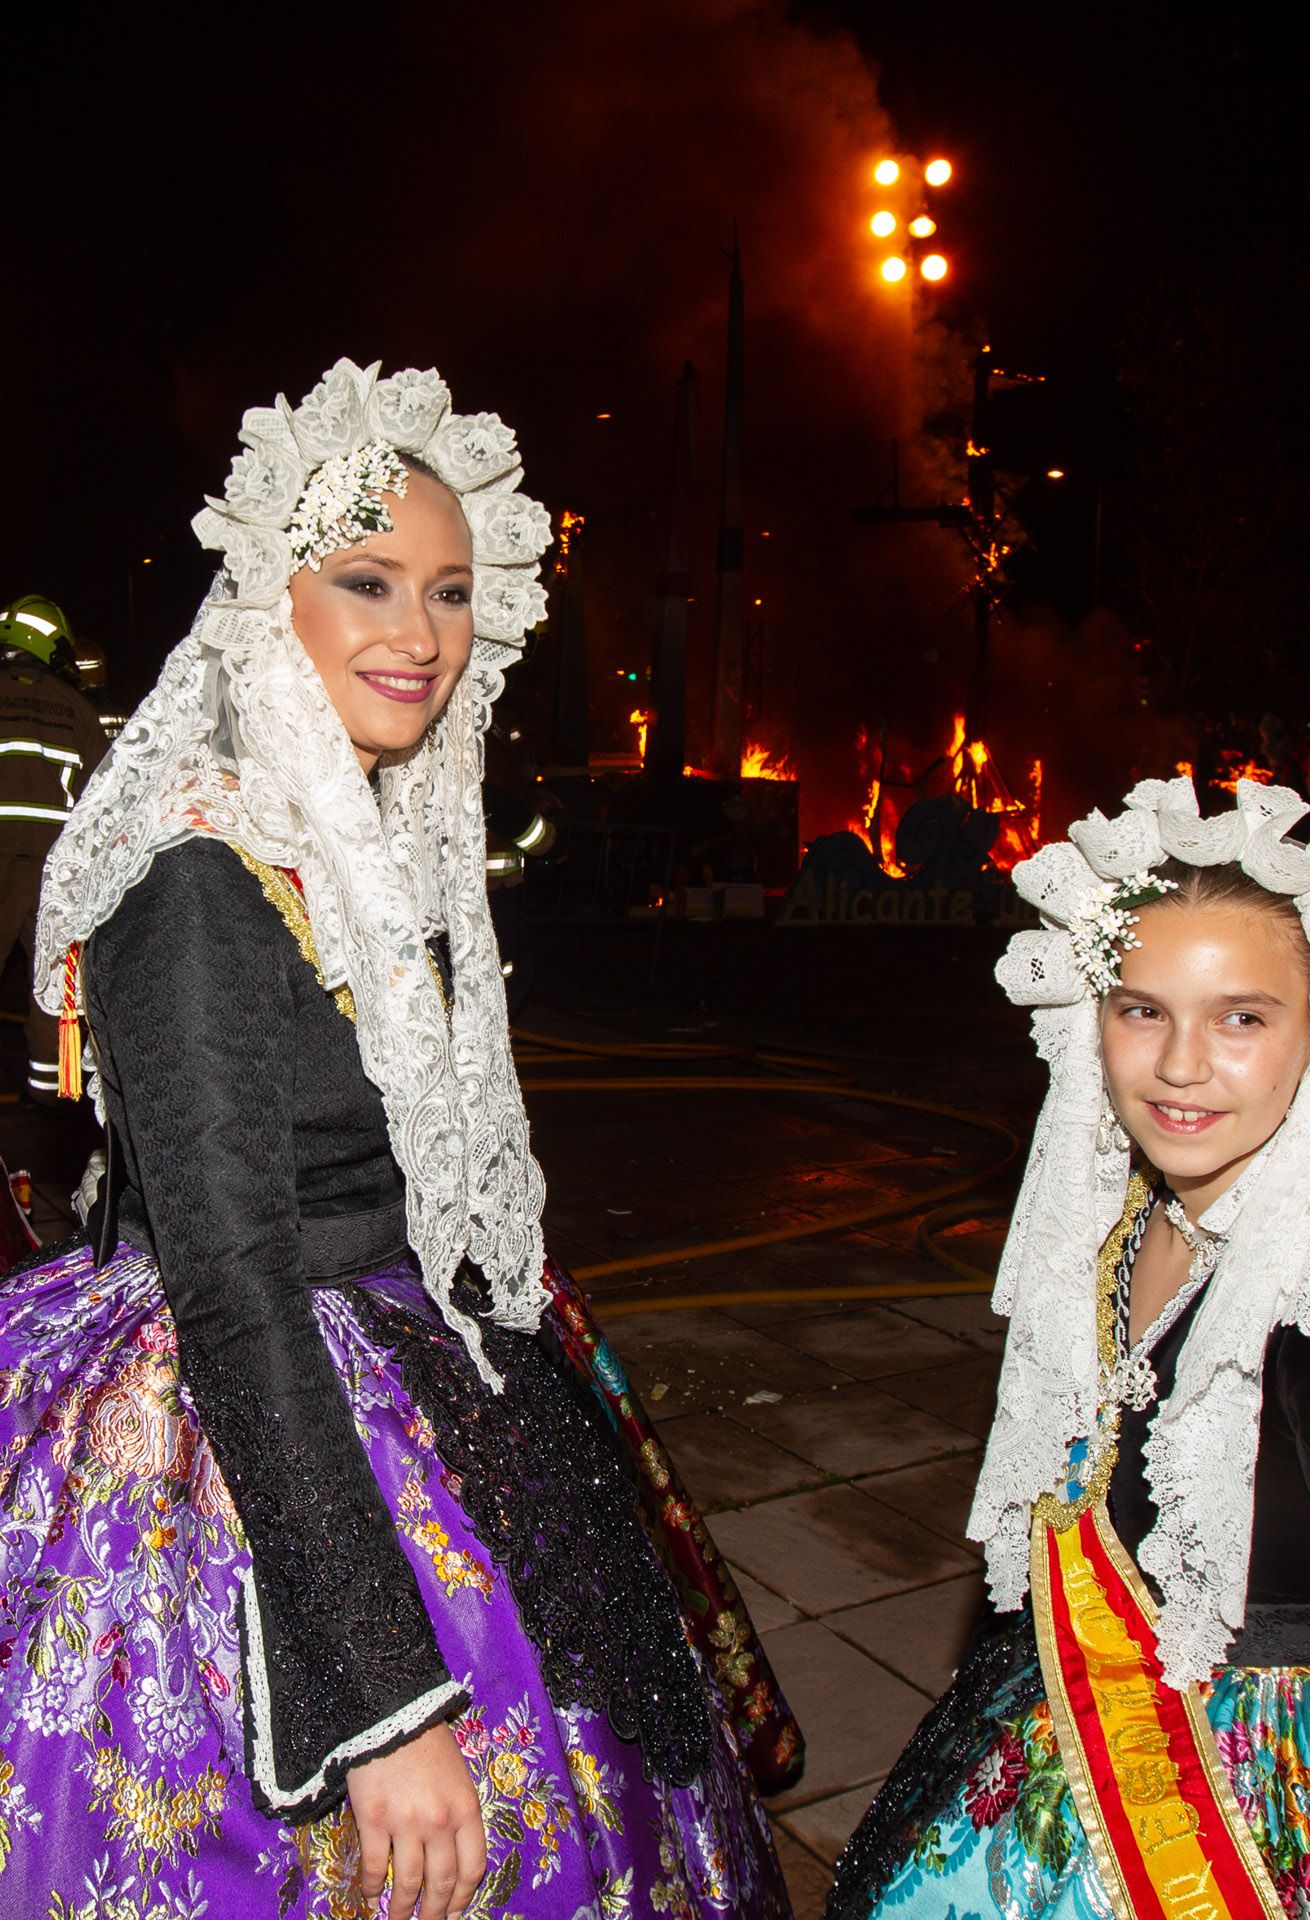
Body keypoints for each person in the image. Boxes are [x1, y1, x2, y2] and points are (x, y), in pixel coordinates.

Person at [0, 360, 792, 1918]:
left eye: (448, 590)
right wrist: (384, 1703)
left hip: (404, 1358)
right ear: (268, 600)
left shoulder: (348, 838)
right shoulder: (201, 883)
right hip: (250, 1427)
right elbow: (236, 1297)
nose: (418, 635)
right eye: (367, 583)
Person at [827, 775, 1310, 1919]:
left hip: (1267, 1811)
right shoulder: (1133, 1218)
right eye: (1142, 1009)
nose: (1181, 1066)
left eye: (1243, 1016)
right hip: (1076, 1744)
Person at [0, 595, 109, 1099]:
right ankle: (51, 1087)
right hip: (54, 864)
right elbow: (104, 793)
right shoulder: (76, 707)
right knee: (53, 977)